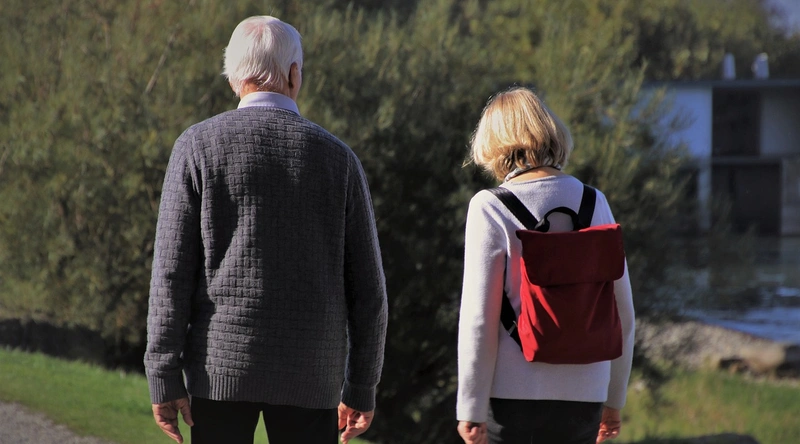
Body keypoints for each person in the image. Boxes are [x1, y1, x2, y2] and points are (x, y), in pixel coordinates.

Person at [144, 15, 388, 444]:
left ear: (234, 78)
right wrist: (361, 385)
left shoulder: (196, 147)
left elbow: (171, 273)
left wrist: (163, 373)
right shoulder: (339, 160)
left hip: (220, 368)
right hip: (311, 374)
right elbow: (369, 290)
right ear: (294, 74)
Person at [456, 87, 635, 444]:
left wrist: (470, 406)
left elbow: (480, 319)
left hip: (512, 396)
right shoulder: (594, 202)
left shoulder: (489, 207)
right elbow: (623, 312)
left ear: (493, 142)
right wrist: (614, 399)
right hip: (586, 395)